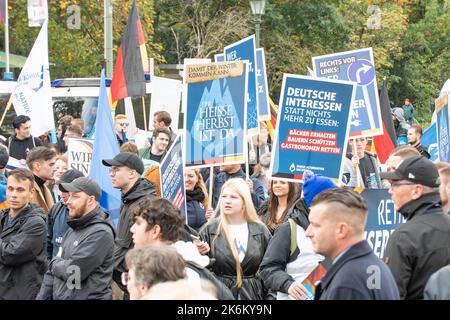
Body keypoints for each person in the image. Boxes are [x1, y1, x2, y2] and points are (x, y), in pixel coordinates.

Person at [130, 197, 234, 300]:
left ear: (155, 231)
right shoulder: (155, 265)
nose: (132, 229)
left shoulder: (185, 275)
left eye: (138, 223)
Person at [305, 188, 399, 300]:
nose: (308, 233)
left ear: (341, 230)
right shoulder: (374, 265)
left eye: (316, 225)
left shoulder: (348, 282)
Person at [380, 156, 450, 299]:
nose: (390, 191)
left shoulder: (403, 236)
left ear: (416, 191)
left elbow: (391, 295)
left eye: (395, 184)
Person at [259, 173, 337, 300]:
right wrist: (288, 284)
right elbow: (267, 269)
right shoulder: (289, 228)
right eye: (332, 200)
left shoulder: (337, 229)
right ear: (316, 201)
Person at [37, 177, 116, 300]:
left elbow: (74, 272)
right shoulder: (73, 228)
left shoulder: (101, 232)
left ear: (90, 200)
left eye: (75, 196)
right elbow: (52, 275)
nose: (68, 201)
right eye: (69, 196)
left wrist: (54, 263)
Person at [199, 178, 272, 300]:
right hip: (219, 296)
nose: (227, 201)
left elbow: (271, 269)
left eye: (233, 197)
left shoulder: (260, 230)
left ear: (244, 201)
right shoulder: (209, 229)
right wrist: (199, 254)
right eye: (224, 196)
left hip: (253, 296)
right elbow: (200, 271)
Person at [102, 152, 157, 298]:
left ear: (132, 173)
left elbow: (140, 248)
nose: (111, 174)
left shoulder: (146, 203)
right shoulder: (129, 200)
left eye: (116, 170)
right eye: (111, 170)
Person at [0, 169, 47, 300]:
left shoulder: (36, 223)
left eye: (20, 190)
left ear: (31, 193)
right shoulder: (3, 216)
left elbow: (10, 255)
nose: (13, 194)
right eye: (10, 189)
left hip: (20, 293)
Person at [46, 169, 84, 262]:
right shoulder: (55, 209)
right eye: (60, 188)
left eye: (66, 189)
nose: (62, 194)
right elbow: (47, 243)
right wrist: (49, 268)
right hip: (54, 272)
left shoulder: (93, 214)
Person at [26, 146, 57, 213]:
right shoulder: (25, 188)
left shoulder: (45, 187)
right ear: (37, 166)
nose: (55, 169)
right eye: (51, 165)